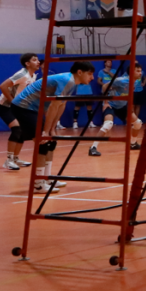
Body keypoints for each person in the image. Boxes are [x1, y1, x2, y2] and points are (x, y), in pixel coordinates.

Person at [12, 61, 96, 193]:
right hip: (23, 107)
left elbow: (61, 105)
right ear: (80, 72)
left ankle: (47, 178)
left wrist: (52, 129)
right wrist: (45, 131)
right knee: (43, 142)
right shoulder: (67, 80)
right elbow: (53, 106)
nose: (92, 78)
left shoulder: (73, 82)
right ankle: (38, 184)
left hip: (35, 109)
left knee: (51, 142)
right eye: (90, 74)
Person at [0, 53, 40, 171]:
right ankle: (8, 160)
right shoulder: (22, 75)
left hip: (18, 107)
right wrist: (13, 102)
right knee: (17, 129)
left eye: (38, 60)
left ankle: (15, 159)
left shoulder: (33, 76)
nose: (38, 62)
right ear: (27, 63)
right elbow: (3, 86)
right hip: (4, 106)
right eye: (34, 60)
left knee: (22, 132)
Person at [89, 64, 144, 156]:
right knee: (108, 124)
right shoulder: (120, 80)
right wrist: (106, 102)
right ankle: (93, 148)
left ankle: (133, 144)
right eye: (138, 71)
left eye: (140, 71)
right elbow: (104, 87)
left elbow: (128, 93)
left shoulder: (135, 82)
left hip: (122, 106)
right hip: (111, 105)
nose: (140, 73)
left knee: (138, 123)